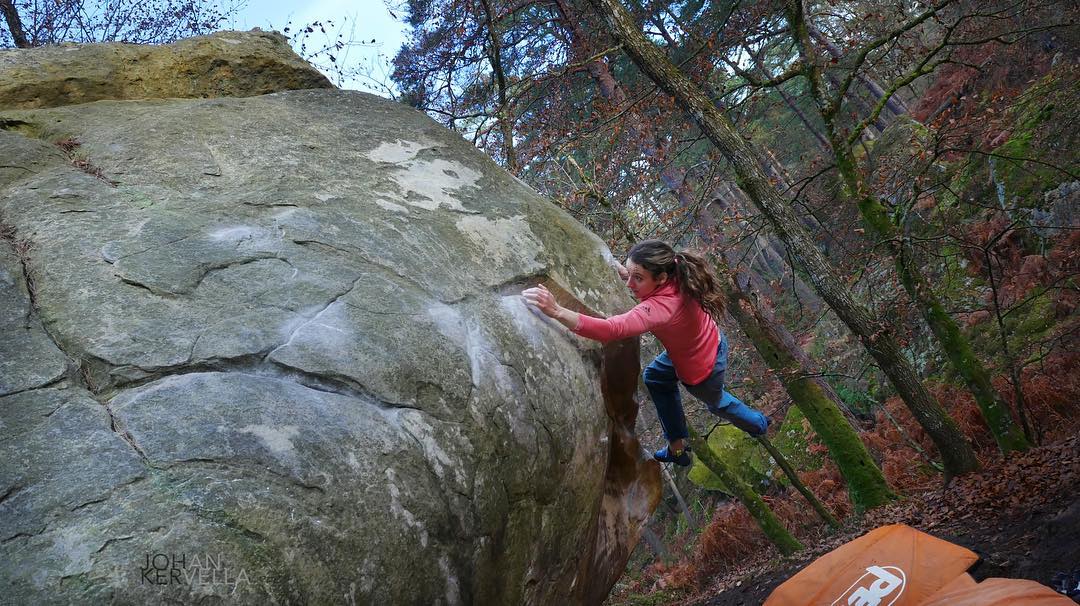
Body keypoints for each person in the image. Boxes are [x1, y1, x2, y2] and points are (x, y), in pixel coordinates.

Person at [522, 239, 767, 467]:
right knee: (654, 377)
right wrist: (628, 272)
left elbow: (612, 329)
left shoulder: (661, 307)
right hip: (707, 340)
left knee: (718, 403)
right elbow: (645, 289)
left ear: (660, 278)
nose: (630, 283)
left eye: (637, 278)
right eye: (629, 274)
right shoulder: (677, 271)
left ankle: (758, 425)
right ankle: (677, 448)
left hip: (702, 370)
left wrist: (556, 311)